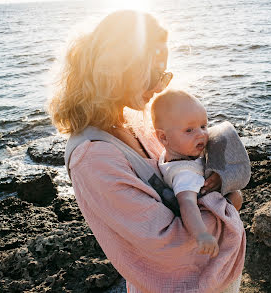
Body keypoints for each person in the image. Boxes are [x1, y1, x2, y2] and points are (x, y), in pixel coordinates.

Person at [48, 10, 245, 293]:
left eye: (165, 75)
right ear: (118, 67)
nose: (159, 86)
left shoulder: (132, 122)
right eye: (154, 73)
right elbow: (169, 245)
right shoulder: (92, 159)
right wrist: (230, 205)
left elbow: (180, 172)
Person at [151, 89, 244, 258]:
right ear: (164, 138)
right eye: (189, 130)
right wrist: (202, 235)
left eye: (203, 126)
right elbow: (187, 203)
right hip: (204, 216)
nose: (201, 134)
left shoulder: (173, 155)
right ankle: (226, 227)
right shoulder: (185, 174)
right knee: (236, 196)